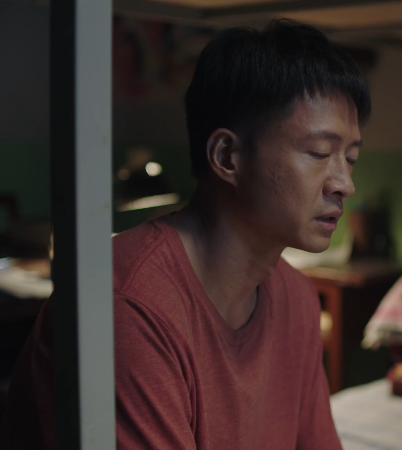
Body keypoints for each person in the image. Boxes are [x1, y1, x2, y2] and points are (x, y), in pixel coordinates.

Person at [3, 19, 369, 449]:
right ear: (227, 156)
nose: (345, 184)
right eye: (320, 153)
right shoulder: (129, 307)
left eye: (350, 159)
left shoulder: (297, 300)